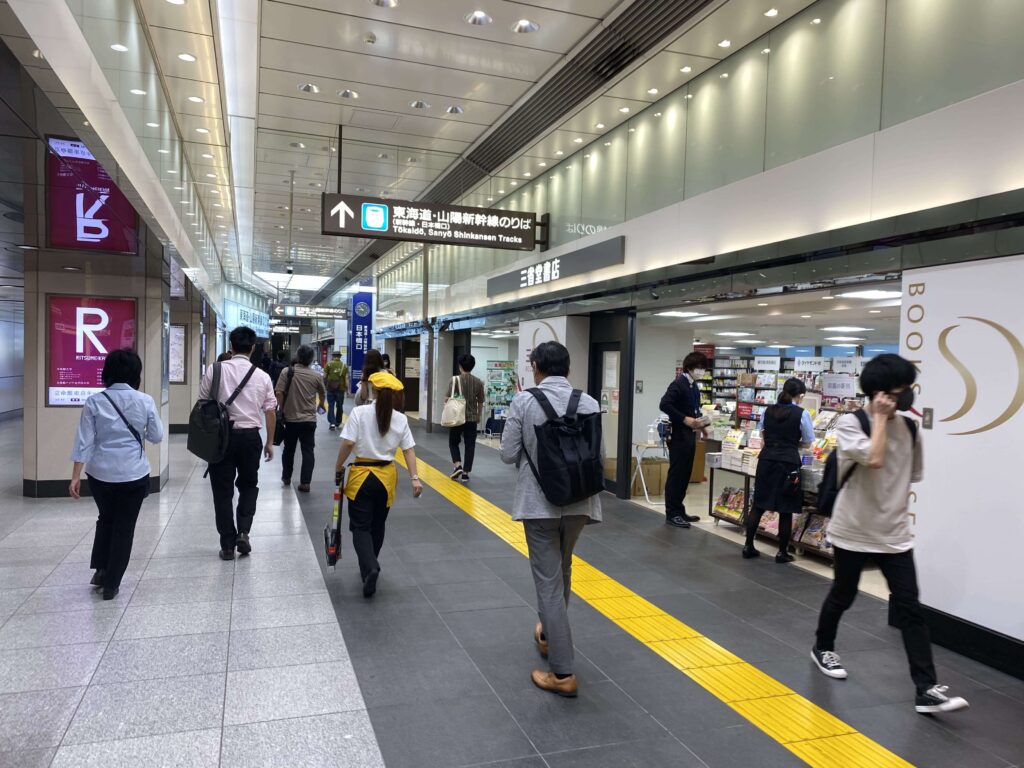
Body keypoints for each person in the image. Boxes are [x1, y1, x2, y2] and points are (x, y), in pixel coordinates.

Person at [810, 354, 969, 715]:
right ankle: (823, 646)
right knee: (843, 593)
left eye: (907, 390)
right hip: (852, 530)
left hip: (895, 535)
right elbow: (876, 459)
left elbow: (912, 475)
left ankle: (926, 688)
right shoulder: (851, 424)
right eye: (899, 391)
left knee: (910, 607)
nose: (906, 397)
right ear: (879, 394)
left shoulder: (911, 429)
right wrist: (879, 419)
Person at [500, 341, 602, 698]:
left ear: (537, 368)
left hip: (539, 503)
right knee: (563, 567)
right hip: (579, 502)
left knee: (547, 581)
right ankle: (548, 633)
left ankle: (562, 672)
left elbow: (508, 453)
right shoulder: (588, 402)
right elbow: (596, 454)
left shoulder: (524, 401)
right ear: (568, 369)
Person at [69, 349, 163, 600]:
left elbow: (84, 441)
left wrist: (75, 475)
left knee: (106, 518)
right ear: (136, 373)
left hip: (100, 474)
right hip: (133, 473)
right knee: (124, 527)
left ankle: (101, 570)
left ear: (107, 372)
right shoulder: (145, 401)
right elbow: (157, 436)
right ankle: (112, 583)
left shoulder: (95, 401)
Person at [334, 371, 422, 597]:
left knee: (360, 527)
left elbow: (348, 443)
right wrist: (415, 478)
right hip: (386, 478)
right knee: (378, 524)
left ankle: (370, 567)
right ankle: (370, 564)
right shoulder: (400, 419)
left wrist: (338, 466)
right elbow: (409, 450)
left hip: (361, 476)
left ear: (373, 390)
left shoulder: (359, 412)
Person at [199, 326, 277, 560]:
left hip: (221, 439)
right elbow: (270, 410)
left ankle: (227, 544)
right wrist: (270, 442)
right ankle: (243, 531)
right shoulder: (262, 376)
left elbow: (203, 403)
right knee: (248, 485)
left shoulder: (215, 370)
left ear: (231, 347)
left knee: (222, 491)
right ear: (253, 348)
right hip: (250, 437)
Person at [742, 378, 815, 563]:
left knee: (758, 503)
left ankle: (748, 545)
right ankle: (782, 552)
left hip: (766, 460)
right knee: (786, 507)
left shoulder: (768, 410)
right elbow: (807, 441)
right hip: (788, 462)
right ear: (799, 395)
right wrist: (790, 444)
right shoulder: (802, 413)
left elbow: (763, 432)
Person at [659, 352, 711, 528]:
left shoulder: (693, 385)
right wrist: (684, 419)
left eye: (703, 368)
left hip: (689, 435)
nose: (701, 371)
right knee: (676, 474)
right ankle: (671, 513)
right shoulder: (679, 384)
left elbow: (694, 410)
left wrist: (702, 426)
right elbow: (664, 404)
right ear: (689, 367)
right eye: (699, 368)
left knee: (685, 474)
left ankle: (679, 509)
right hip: (679, 435)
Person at [275, 344, 326, 492]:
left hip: (290, 420)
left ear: (297, 356)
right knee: (308, 451)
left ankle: (286, 477)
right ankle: (305, 483)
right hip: (309, 420)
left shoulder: (287, 372)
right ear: (311, 359)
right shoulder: (316, 375)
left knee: (289, 450)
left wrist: (281, 409)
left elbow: (279, 392)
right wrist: (321, 405)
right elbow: (323, 393)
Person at [448, 354, 486, 483]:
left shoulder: (454, 380)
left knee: (453, 442)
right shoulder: (478, 382)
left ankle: (457, 465)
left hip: (456, 418)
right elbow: (480, 401)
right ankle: (465, 473)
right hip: (471, 419)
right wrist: (478, 416)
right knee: (470, 445)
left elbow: (447, 398)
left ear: (460, 367)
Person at [324, 351, 349, 431]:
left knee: (331, 405)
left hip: (330, 388)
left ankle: (332, 423)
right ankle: (338, 422)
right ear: (340, 357)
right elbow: (346, 378)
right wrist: (347, 389)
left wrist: (324, 385)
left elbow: (324, 376)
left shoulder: (328, 364)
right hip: (340, 389)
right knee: (339, 405)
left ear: (333, 356)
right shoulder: (344, 366)